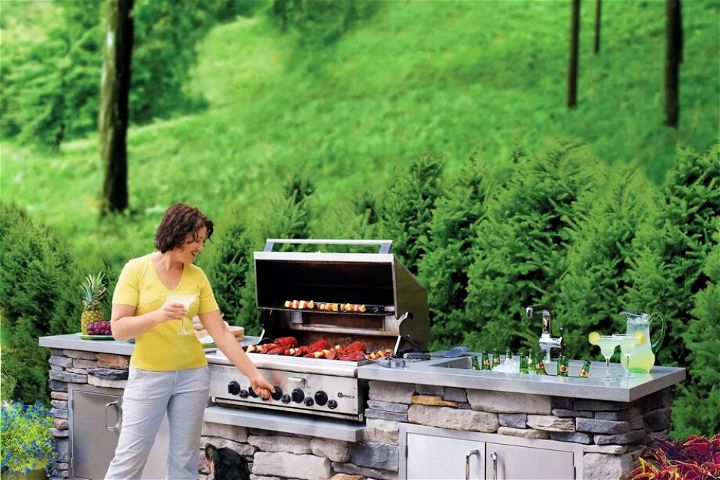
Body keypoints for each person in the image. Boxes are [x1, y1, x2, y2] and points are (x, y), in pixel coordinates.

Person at [105, 203, 274, 480]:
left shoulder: (197, 277)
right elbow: (119, 329)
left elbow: (220, 332)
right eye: (195, 240)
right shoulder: (136, 270)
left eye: (203, 240)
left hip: (192, 377)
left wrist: (252, 374)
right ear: (175, 235)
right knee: (129, 458)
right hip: (149, 375)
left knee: (184, 462)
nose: (200, 247)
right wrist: (159, 316)